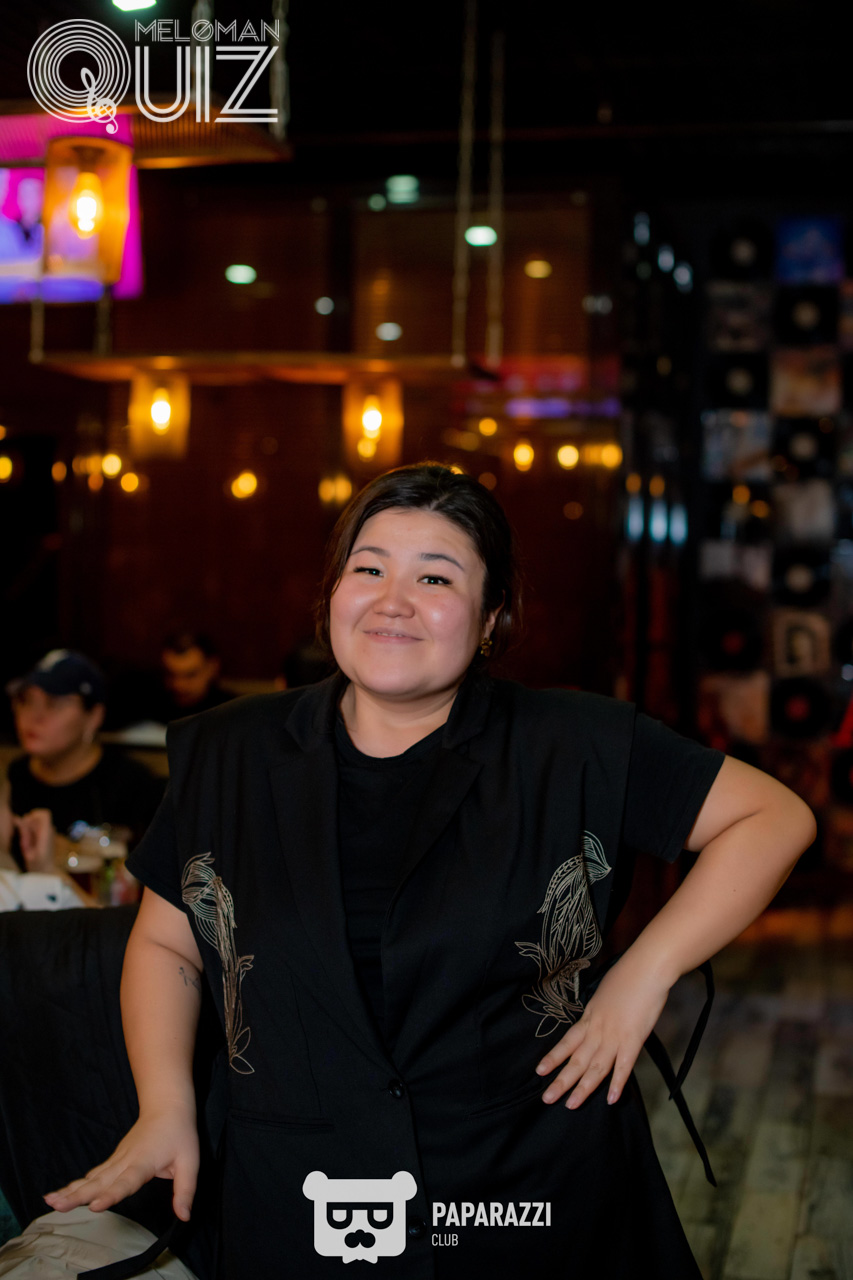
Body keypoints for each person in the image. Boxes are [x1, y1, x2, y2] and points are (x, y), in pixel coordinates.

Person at [44, 464, 816, 1279]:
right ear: (332, 594)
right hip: (300, 1193)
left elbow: (772, 819)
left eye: (435, 577)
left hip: (521, 1190)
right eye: (368, 568)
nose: (392, 601)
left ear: (491, 616)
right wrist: (164, 1107)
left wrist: (641, 976)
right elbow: (169, 943)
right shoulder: (229, 751)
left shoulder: (571, 744)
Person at [3, 649, 165, 870]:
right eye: (26, 700)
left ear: (94, 716)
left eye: (53, 703)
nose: (34, 716)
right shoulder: (13, 776)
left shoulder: (131, 785)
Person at [154, 632, 235, 723]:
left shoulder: (231, 711)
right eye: (171, 675)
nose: (179, 685)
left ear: (212, 667)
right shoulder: (151, 706)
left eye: (190, 675)